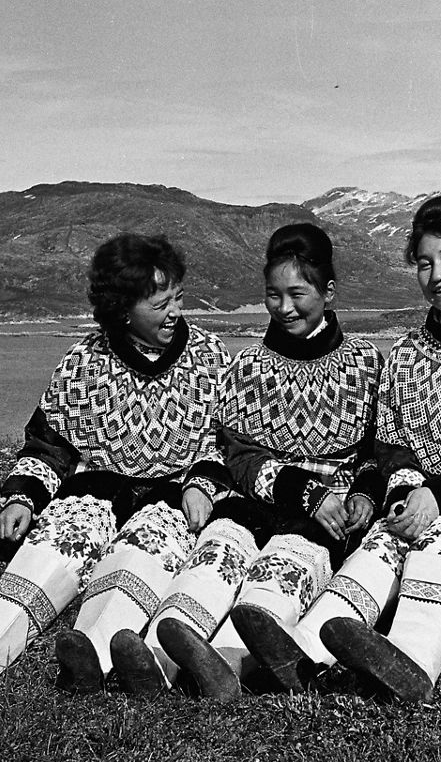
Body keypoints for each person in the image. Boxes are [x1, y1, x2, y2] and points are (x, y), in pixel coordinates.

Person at [235, 195, 441, 702]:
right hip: (417, 496)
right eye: (424, 263)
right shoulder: (408, 352)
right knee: (378, 548)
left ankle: (411, 660)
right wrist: (410, 493)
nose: (437, 274)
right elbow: (392, 446)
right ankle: (296, 655)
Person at [85, 222, 384, 701]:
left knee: (278, 579)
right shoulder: (247, 366)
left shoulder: (368, 363)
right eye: (272, 294)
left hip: (326, 518)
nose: (284, 308)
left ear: (328, 292)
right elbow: (240, 455)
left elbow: (376, 450)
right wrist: (303, 490)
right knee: (212, 561)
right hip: (256, 499)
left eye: (297, 294)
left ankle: (225, 664)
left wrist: (365, 496)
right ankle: (152, 661)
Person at [0, 233, 230, 706]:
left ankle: (89, 657)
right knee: (53, 547)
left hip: (173, 495)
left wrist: (203, 483)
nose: (175, 312)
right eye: (160, 303)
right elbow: (49, 447)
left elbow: (225, 439)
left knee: (141, 556)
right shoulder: (83, 363)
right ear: (122, 309)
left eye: (178, 297)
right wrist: (23, 496)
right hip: (97, 489)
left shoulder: (211, 358)